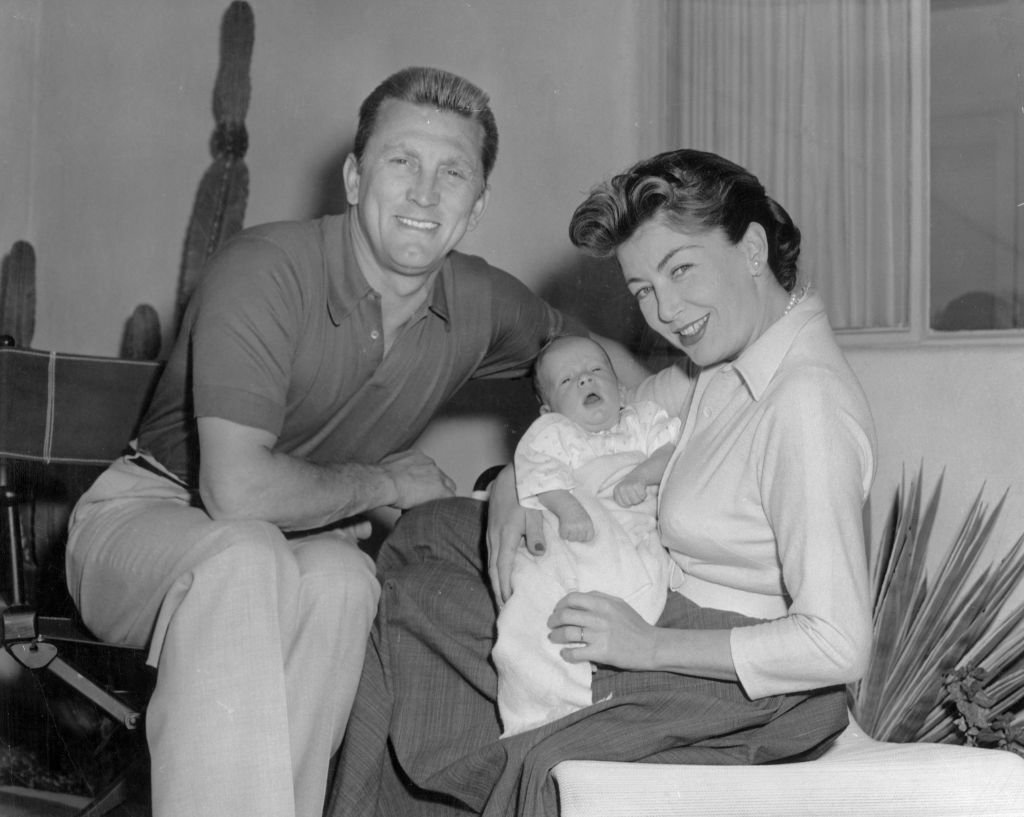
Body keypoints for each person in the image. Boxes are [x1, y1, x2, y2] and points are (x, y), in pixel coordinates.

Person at [63, 66, 606, 817]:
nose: (425, 192)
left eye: (453, 172)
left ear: (476, 206)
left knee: (348, 581)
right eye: (401, 162)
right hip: (143, 518)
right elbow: (239, 493)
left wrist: (525, 476)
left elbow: (598, 373)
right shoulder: (265, 269)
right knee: (246, 554)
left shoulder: (478, 300)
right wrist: (385, 484)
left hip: (299, 545)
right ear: (354, 177)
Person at [328, 148, 876, 817]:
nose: (665, 312)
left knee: (524, 740)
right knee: (426, 543)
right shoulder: (728, 361)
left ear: (753, 248)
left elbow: (837, 642)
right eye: (644, 289)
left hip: (750, 690)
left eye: (680, 270)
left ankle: (493, 768)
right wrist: (511, 489)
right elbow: (610, 429)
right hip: (652, 605)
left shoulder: (804, 402)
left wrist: (645, 645)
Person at [493, 334, 678, 736]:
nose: (584, 381)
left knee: (641, 582)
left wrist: (641, 475)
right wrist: (568, 507)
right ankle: (542, 707)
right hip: (573, 531)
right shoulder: (553, 432)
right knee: (531, 601)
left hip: (630, 535)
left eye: (596, 371)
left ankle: (596, 684)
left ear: (622, 389)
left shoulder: (643, 420)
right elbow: (538, 471)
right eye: (567, 381)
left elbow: (671, 454)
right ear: (548, 409)